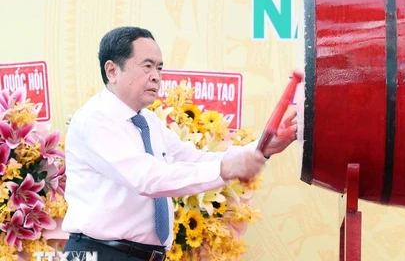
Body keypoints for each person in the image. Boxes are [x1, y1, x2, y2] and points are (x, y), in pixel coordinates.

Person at [61, 26, 298, 261]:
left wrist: (262, 148)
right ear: (112, 70)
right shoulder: (94, 120)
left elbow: (195, 158)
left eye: (159, 67)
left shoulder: (148, 121)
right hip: (103, 253)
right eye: (147, 66)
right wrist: (226, 170)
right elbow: (148, 178)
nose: (156, 76)